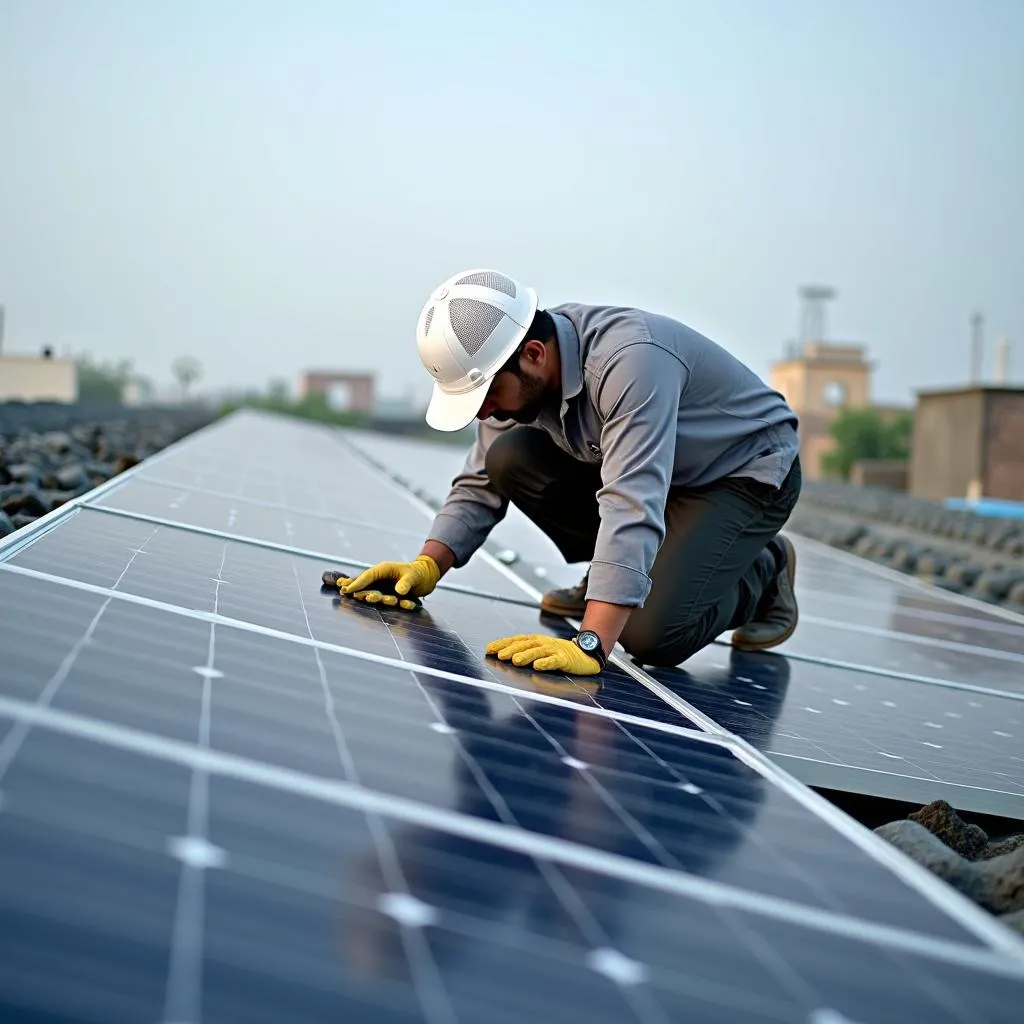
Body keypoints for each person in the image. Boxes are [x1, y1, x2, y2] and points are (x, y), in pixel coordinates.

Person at [338, 268, 802, 677]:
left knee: (650, 638)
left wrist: (592, 641)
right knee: (510, 458)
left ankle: (764, 572)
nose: (483, 413)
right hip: (661, 474)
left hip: (742, 473)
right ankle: (616, 580)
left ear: (535, 354)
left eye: (489, 394)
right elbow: (480, 480)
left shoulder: (630, 362)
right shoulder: (514, 368)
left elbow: (631, 499)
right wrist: (426, 564)